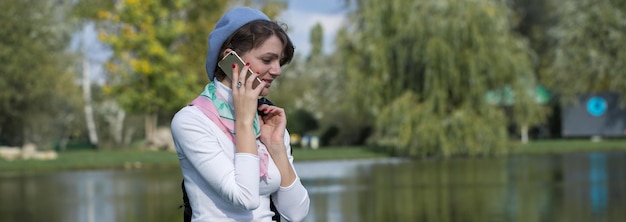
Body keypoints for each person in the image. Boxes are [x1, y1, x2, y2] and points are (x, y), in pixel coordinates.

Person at [170, 6, 310, 222]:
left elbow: (297, 213)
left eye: (279, 61)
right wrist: (244, 121)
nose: (277, 70)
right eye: (267, 60)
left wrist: (276, 147)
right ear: (231, 60)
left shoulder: (267, 120)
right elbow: (245, 198)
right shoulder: (192, 121)